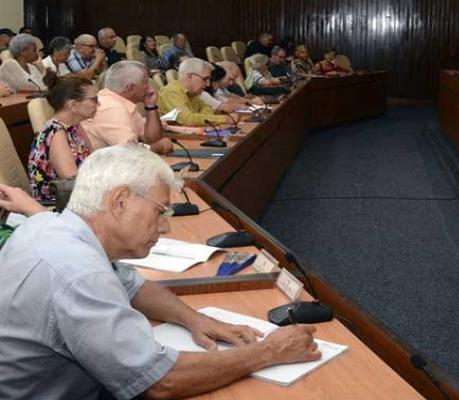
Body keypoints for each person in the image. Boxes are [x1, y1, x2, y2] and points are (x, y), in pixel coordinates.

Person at [0, 144, 322, 399]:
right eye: (159, 211)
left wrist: (195, 319)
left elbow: (134, 286)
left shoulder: (49, 225)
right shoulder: (79, 273)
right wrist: (267, 351)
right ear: (120, 201)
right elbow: (161, 381)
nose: (165, 226)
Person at [28, 74, 97, 202]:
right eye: (94, 99)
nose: (99, 103)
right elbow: (72, 186)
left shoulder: (75, 126)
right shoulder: (56, 134)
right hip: (57, 207)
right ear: (73, 105)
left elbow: (92, 163)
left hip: (81, 199)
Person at [81, 61, 172, 154]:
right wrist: (159, 147)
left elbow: (151, 138)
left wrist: (151, 107)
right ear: (130, 88)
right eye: (145, 82)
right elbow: (129, 152)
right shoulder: (111, 108)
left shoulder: (120, 102)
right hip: (99, 166)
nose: (149, 87)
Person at [157, 57, 233, 126]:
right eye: (205, 79)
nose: (208, 84)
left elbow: (207, 108)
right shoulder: (171, 91)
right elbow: (187, 120)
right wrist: (225, 119)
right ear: (189, 76)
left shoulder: (193, 92)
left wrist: (199, 118)